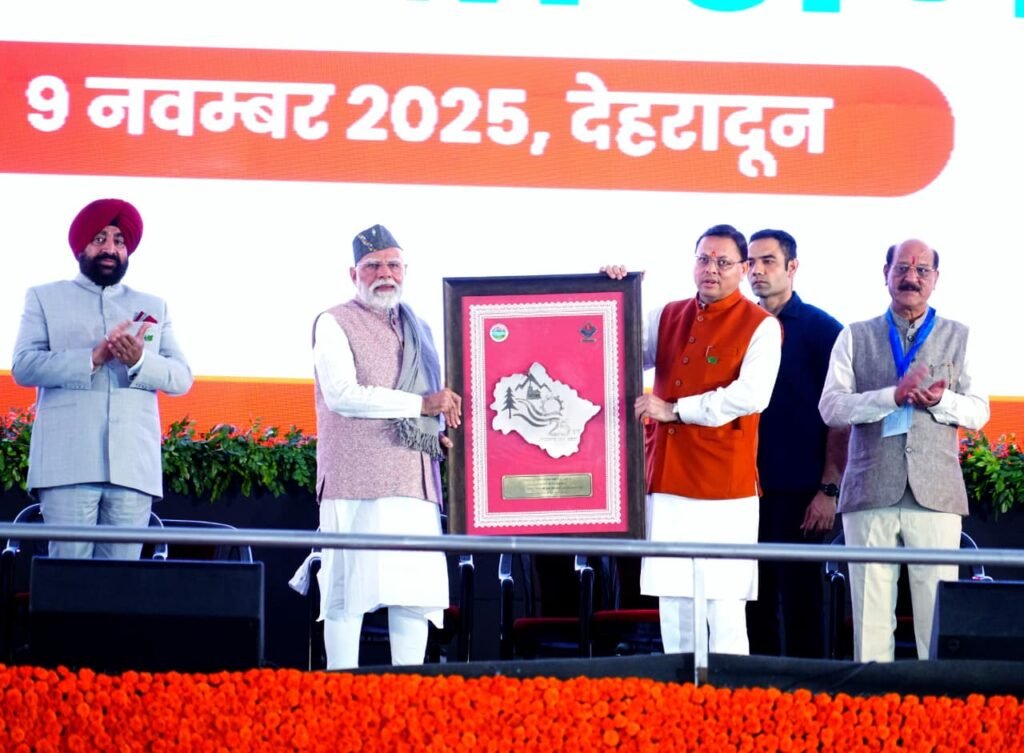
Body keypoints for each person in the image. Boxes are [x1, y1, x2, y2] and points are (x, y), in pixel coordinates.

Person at [605, 224, 782, 655]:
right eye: (704, 259)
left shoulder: (761, 325)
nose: (711, 270)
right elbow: (616, 350)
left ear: (743, 269)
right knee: (675, 607)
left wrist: (675, 409)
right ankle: (679, 695)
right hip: (668, 480)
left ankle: (729, 696)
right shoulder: (668, 314)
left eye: (723, 262)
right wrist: (614, 295)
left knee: (725, 609)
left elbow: (751, 396)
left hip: (726, 489)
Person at [819, 239, 989, 662]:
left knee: (936, 614)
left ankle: (933, 699)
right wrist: (889, 398)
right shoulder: (854, 335)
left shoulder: (960, 336)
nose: (911, 277)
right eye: (902, 268)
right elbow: (831, 408)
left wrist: (942, 401)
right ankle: (873, 698)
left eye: (922, 270)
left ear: (935, 279)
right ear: (886, 274)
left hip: (936, 492)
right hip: (870, 488)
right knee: (869, 617)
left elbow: (979, 412)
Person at [312, 223, 462, 669]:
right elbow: (342, 394)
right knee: (346, 594)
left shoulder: (421, 328)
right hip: (354, 479)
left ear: (405, 271)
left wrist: (438, 426)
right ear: (353, 274)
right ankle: (340, 692)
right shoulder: (333, 321)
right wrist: (422, 404)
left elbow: (435, 399)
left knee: (413, 594)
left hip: (413, 479)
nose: (385, 274)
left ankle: (407, 694)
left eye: (393, 265)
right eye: (373, 266)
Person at [11, 198, 193, 559]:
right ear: (82, 246)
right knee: (68, 578)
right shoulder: (45, 297)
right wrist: (92, 358)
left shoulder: (153, 305)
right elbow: (24, 366)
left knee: (120, 584)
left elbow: (181, 378)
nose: (110, 248)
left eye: (119, 241)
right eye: (100, 239)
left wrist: (139, 360)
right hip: (67, 465)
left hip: (132, 469)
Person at [744, 228, 848, 658]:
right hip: (741, 490)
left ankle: (810, 691)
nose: (757, 270)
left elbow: (840, 419)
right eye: (750, 262)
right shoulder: (738, 325)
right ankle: (756, 691)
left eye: (768, 261)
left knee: (802, 601)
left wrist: (828, 489)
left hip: (802, 492)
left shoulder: (824, 331)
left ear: (792, 267)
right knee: (751, 601)